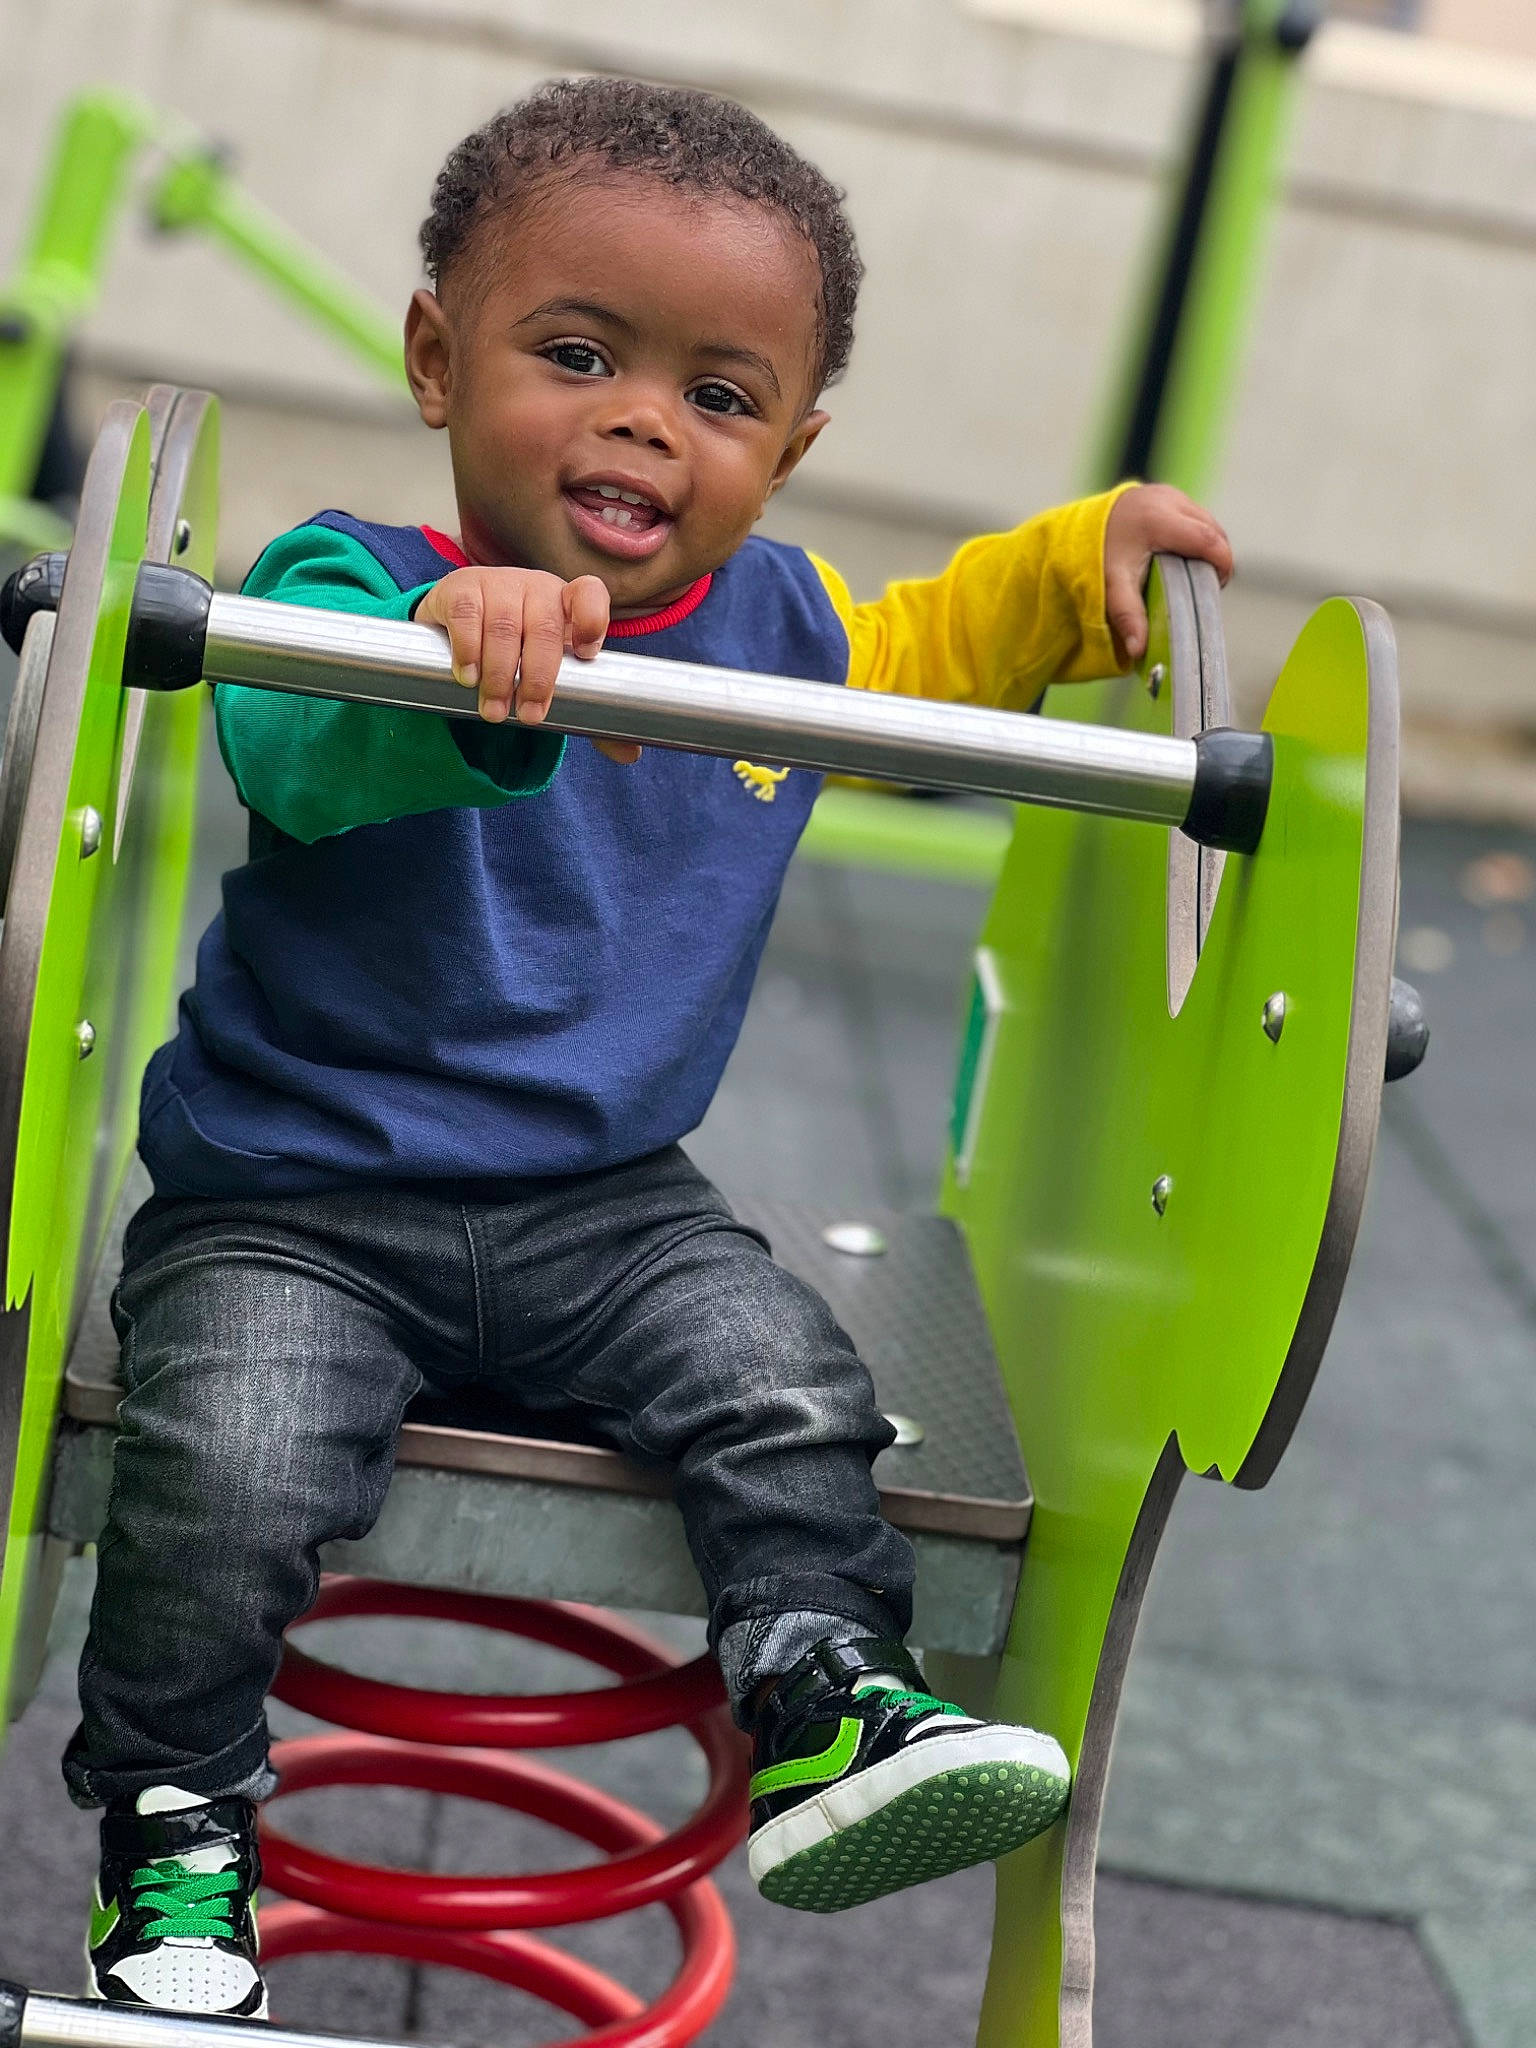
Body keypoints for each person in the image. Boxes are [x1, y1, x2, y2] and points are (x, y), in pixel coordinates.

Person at [75, 77, 1233, 2016]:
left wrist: (1075, 562)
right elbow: (289, 746)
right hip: (293, 1196)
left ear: (792, 447)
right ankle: (175, 1829)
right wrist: (457, 663)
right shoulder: (343, 589)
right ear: (438, 359)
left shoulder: (781, 625)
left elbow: (939, 647)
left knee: (785, 1379)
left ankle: (822, 1694)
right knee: (227, 1461)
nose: (641, 422)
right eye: (578, 355)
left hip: (602, 1206)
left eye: (718, 394)